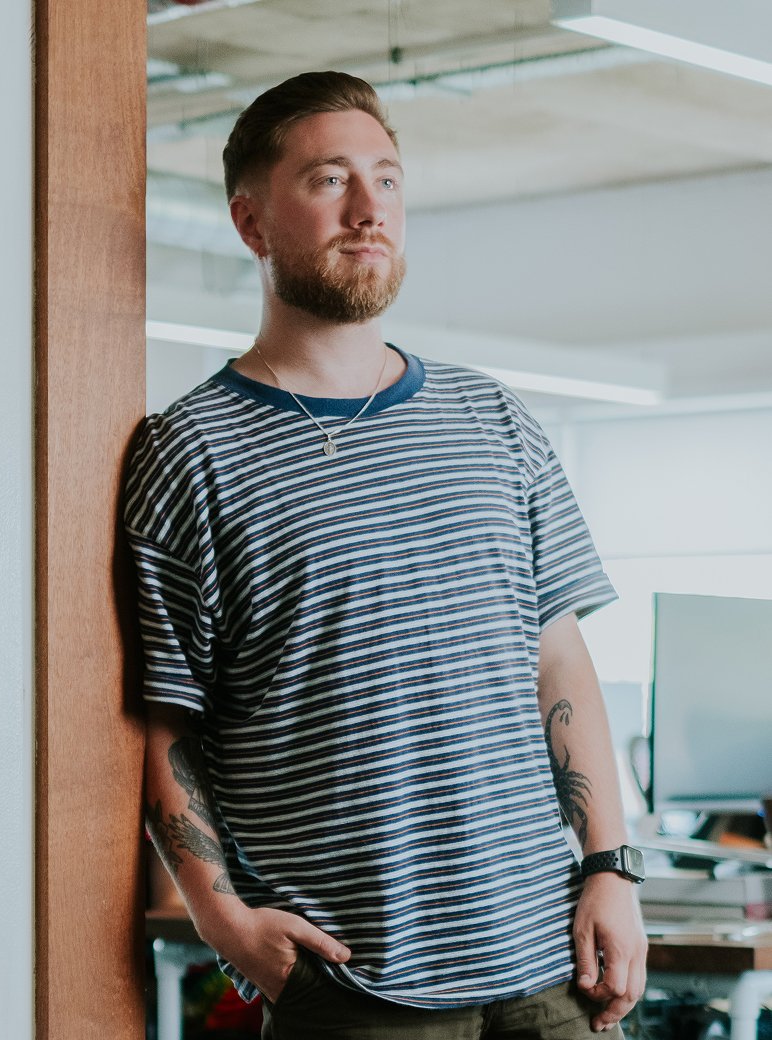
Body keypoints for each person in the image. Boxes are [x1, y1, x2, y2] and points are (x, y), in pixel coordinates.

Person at [125, 70, 647, 1040]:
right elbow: (164, 719)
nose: (370, 210)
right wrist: (223, 917)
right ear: (251, 222)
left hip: (550, 967)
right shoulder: (189, 450)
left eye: (389, 179)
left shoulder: (493, 417)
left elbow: (559, 657)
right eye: (330, 179)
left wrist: (610, 865)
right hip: (358, 983)